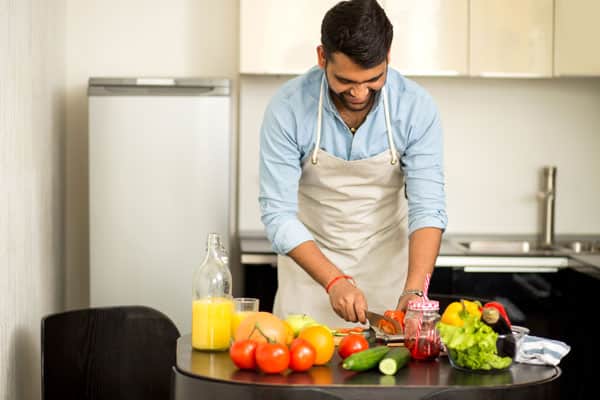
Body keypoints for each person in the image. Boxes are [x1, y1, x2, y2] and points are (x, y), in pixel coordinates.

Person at [259, 0, 447, 328]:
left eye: (373, 79)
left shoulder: (415, 108)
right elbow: (278, 215)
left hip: (387, 280)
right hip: (309, 283)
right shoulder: (287, 108)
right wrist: (333, 280)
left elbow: (428, 208)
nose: (359, 92)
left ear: (388, 57)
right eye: (345, 80)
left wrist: (415, 290)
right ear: (322, 57)